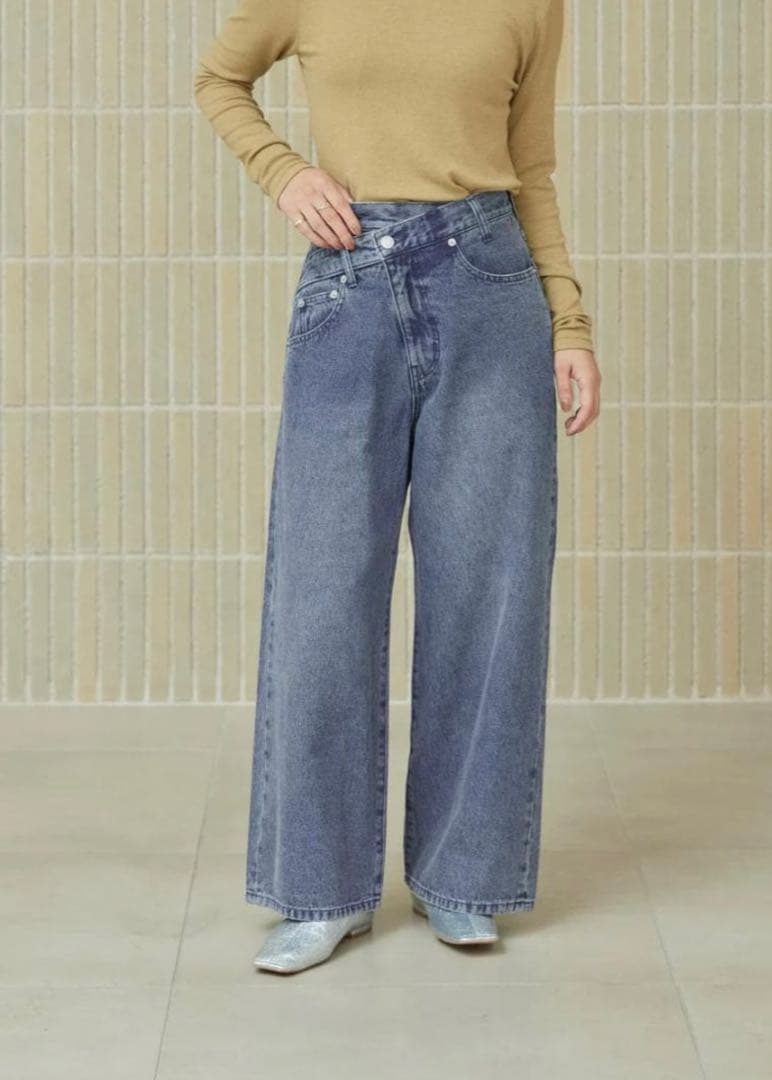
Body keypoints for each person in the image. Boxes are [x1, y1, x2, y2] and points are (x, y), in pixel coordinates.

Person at [194, 0, 602, 975]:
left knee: (486, 597)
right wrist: (285, 172)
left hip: (491, 289)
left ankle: (462, 875)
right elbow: (219, 80)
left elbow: (531, 166)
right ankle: (320, 890)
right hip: (349, 289)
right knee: (322, 596)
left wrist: (570, 323)